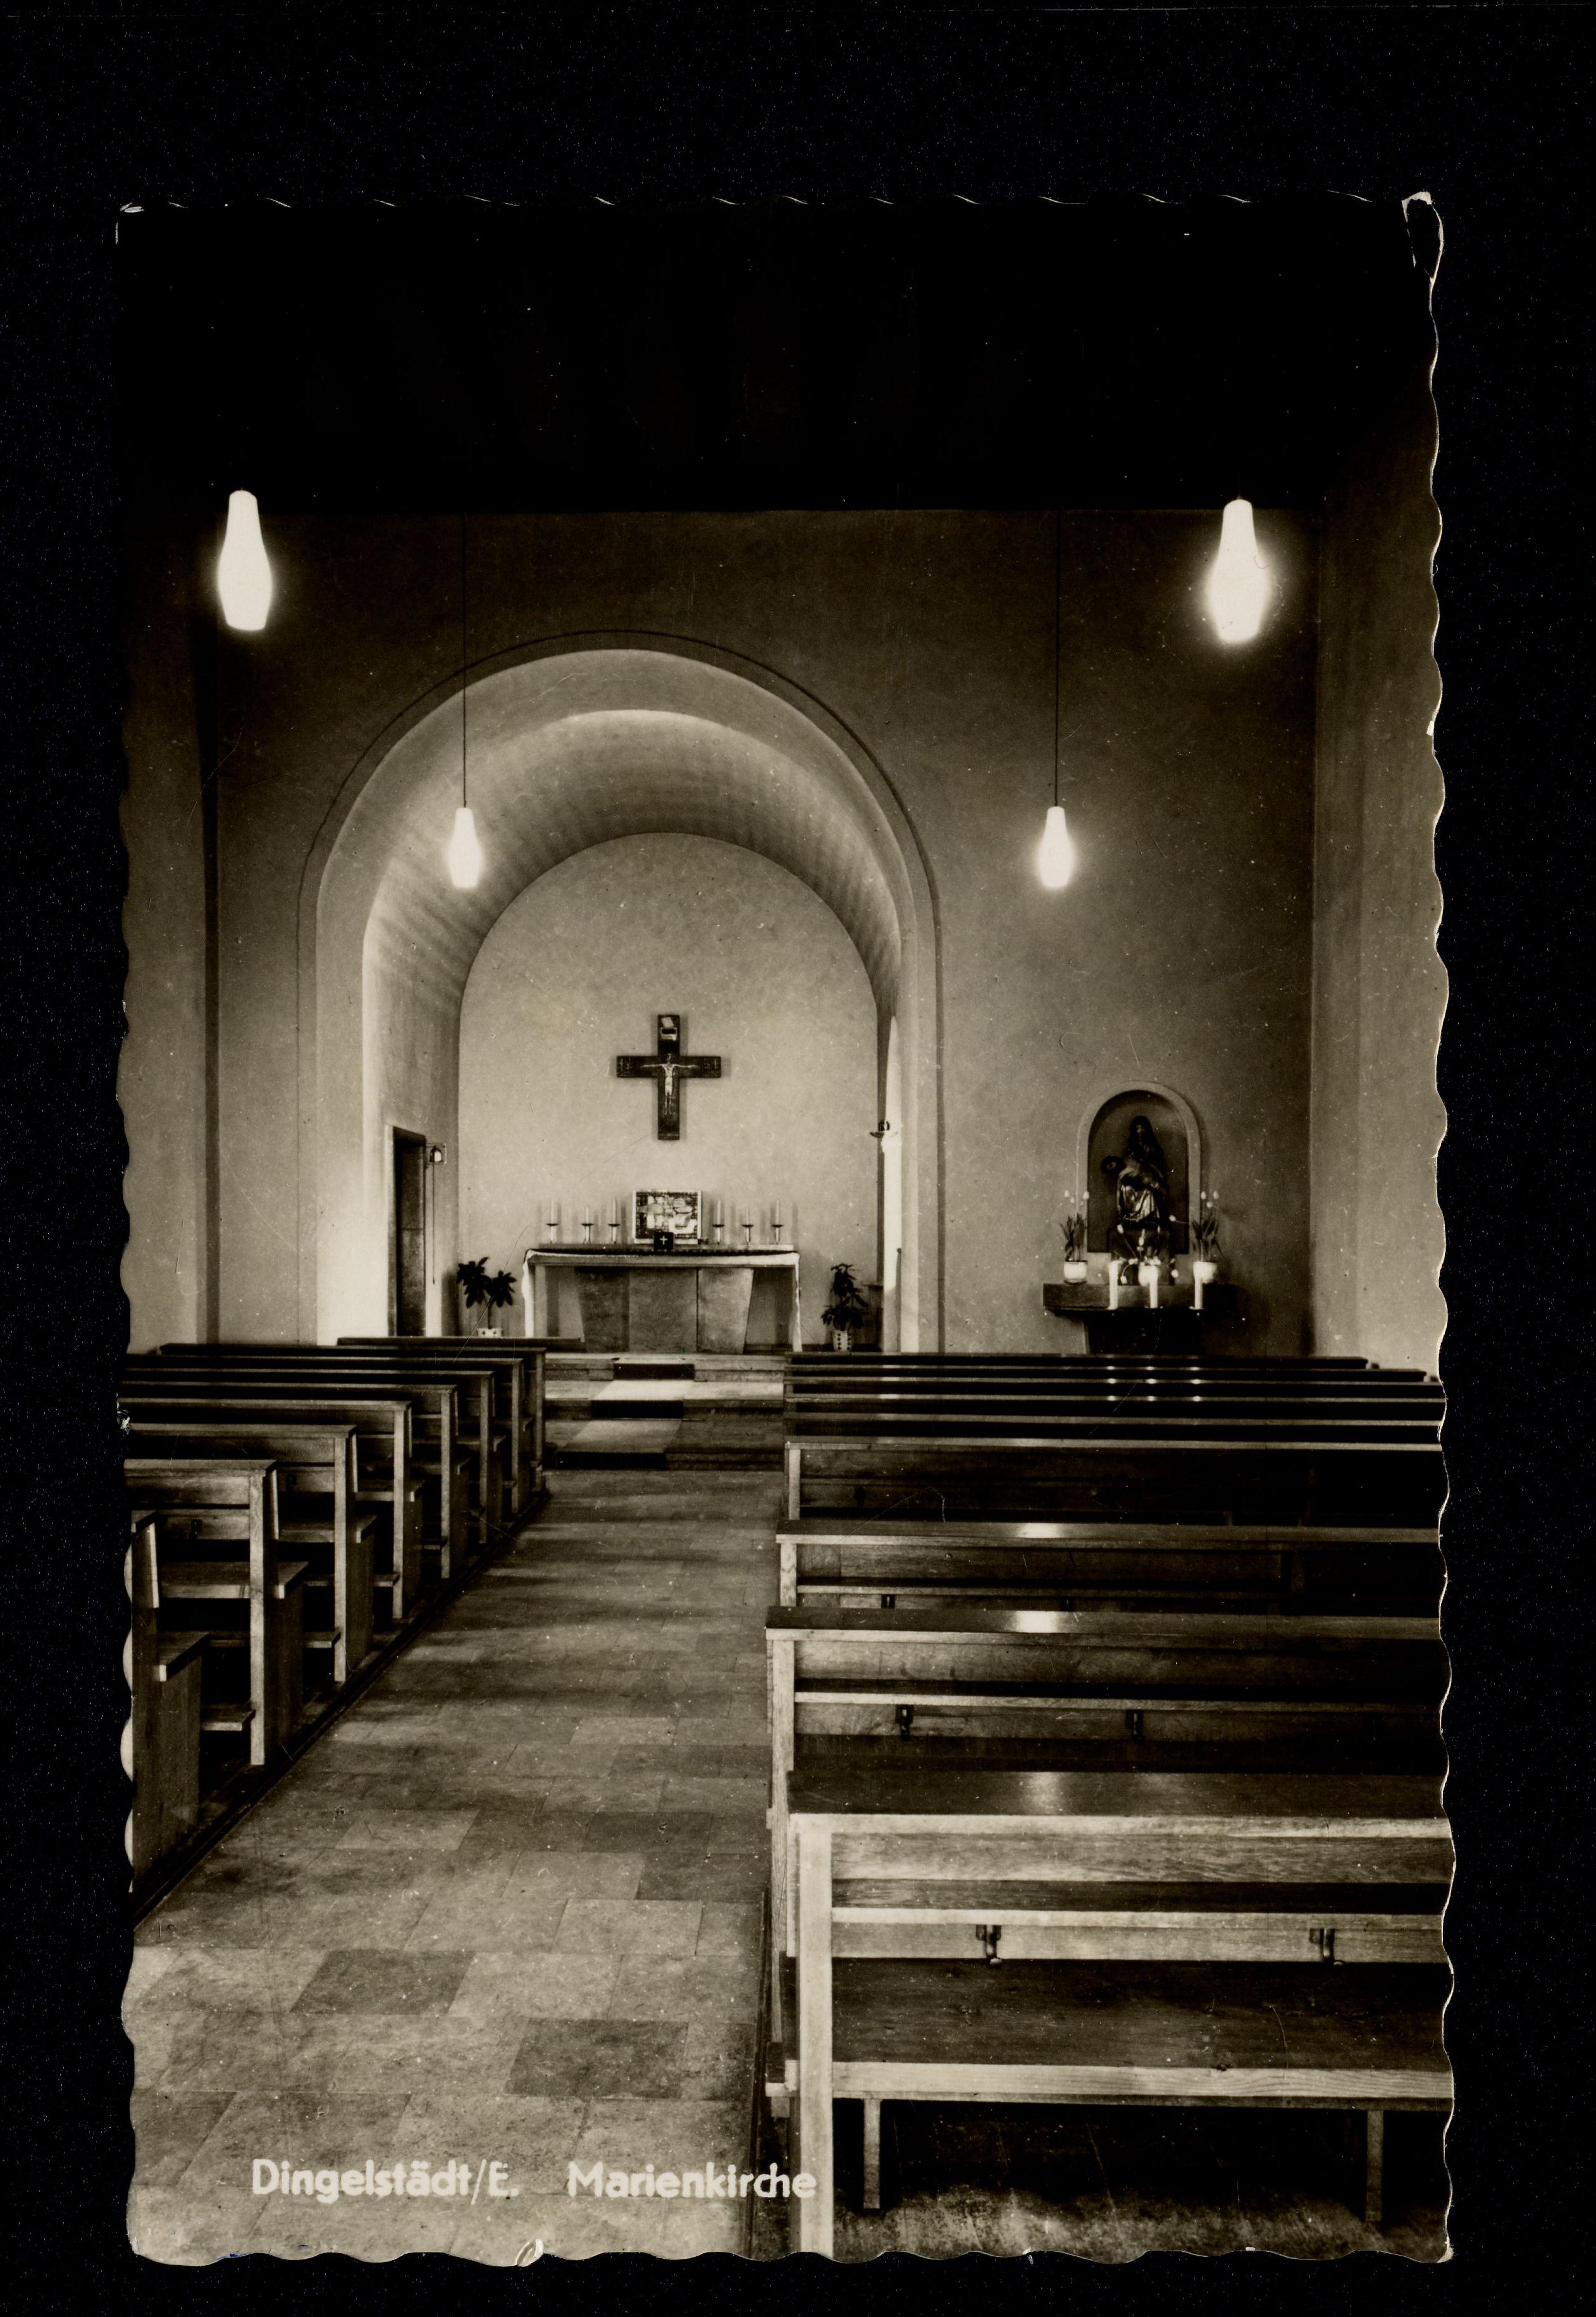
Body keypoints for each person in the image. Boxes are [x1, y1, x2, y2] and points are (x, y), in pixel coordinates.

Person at [1101, 1114, 1172, 1267]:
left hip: (1149, 1179)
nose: (1140, 1131)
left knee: (1149, 1193)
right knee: (1126, 1188)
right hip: (1134, 1184)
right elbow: (1125, 1168)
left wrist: (1144, 1169)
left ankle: (1150, 1218)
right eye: (1137, 1128)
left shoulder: (1153, 1147)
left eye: (1142, 1128)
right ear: (1133, 1131)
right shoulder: (1130, 1148)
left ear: (1147, 1130)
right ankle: (1130, 1217)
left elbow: (1157, 1166)